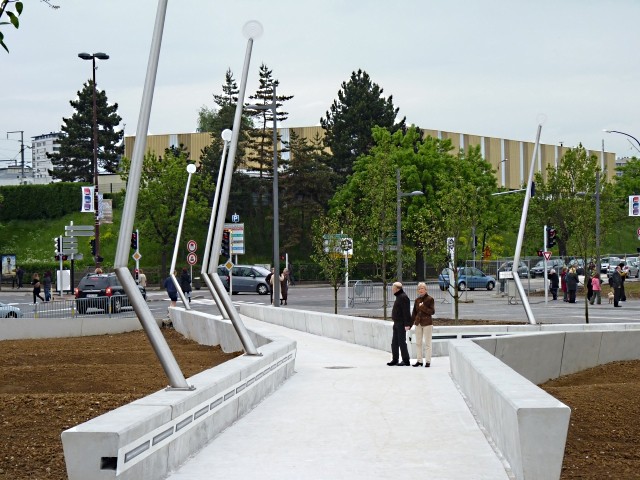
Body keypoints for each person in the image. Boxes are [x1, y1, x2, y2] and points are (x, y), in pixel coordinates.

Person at [387, 282, 412, 366]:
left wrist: (407, 324)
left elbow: (406, 312)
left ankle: (406, 360)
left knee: (401, 342)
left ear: (397, 289)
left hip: (401, 323)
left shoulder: (403, 297)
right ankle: (395, 359)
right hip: (396, 323)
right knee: (394, 342)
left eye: (393, 288)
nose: (392, 290)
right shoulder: (398, 296)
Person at [411, 282, 435, 367]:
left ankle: (428, 361)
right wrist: (410, 324)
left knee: (427, 343)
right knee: (418, 343)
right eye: (419, 289)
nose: (420, 290)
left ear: (425, 289)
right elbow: (414, 312)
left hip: (427, 323)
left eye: (422, 288)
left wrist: (423, 307)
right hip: (418, 323)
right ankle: (419, 360)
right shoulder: (417, 300)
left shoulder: (430, 299)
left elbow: (432, 312)